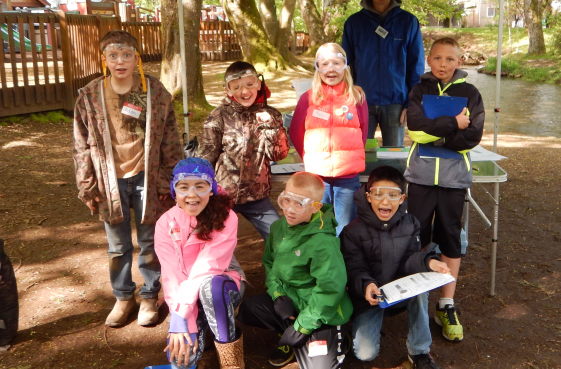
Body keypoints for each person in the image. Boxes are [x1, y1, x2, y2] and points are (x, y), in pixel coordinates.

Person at [73, 30, 182, 328]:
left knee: (150, 242)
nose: (120, 61)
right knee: (117, 246)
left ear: (137, 59)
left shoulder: (155, 92)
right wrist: (87, 185)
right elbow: (80, 144)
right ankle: (123, 297)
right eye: (113, 55)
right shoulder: (90, 96)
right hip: (110, 180)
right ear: (103, 59)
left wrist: (170, 181)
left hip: (148, 176)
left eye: (126, 55)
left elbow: (171, 140)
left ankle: (149, 295)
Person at [236, 172, 353, 369]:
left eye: (299, 204)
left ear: (316, 206)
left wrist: (302, 327)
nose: (289, 209)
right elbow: (270, 264)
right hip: (292, 303)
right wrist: (278, 295)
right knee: (248, 308)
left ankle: (336, 339)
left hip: (322, 312)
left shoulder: (323, 243)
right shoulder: (279, 228)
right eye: (286, 200)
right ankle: (292, 335)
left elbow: (330, 289)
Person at [404, 36, 485, 342]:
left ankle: (446, 302)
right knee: (419, 235)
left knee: (451, 236)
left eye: (449, 59)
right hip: (422, 177)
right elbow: (414, 128)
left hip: (453, 179)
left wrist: (434, 133)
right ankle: (419, 296)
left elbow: (473, 134)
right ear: (429, 60)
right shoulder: (419, 89)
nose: (443, 64)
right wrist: (453, 123)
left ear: (459, 62)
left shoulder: (470, 92)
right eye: (437, 58)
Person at [340, 165, 450, 369]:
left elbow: (411, 259)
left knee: (422, 290)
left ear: (402, 199)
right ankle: (353, 329)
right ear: (368, 196)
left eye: (393, 195)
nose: (385, 201)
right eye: (379, 194)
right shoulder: (352, 231)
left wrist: (430, 261)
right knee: (365, 354)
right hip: (370, 298)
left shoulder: (411, 224)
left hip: (401, 292)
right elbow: (354, 269)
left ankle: (420, 351)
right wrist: (366, 285)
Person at [155, 157, 246, 369]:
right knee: (182, 361)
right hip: (186, 292)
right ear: (174, 191)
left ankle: (231, 362)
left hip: (222, 281)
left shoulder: (227, 217)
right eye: (184, 187)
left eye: (200, 186)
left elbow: (208, 268)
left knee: (212, 287)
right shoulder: (165, 223)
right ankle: (204, 324)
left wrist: (181, 315)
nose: (192, 195)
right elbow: (172, 273)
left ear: (212, 189)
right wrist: (181, 321)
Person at [197, 61, 289, 241]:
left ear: (258, 84)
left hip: (258, 196)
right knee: (212, 240)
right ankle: (223, 270)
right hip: (223, 195)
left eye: (249, 84)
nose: (244, 91)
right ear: (228, 91)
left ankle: (279, 269)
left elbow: (279, 154)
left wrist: (271, 128)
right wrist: (199, 187)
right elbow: (206, 155)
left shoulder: (272, 115)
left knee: (280, 240)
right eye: (237, 87)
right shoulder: (218, 116)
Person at [289, 43, 368, 235]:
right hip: (318, 177)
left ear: (345, 67)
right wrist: (310, 158)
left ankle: (342, 262)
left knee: (345, 226)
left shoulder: (356, 96)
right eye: (324, 64)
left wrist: (350, 158)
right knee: (319, 223)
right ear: (317, 68)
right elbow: (295, 132)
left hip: (348, 177)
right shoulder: (308, 98)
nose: (331, 69)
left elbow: (363, 131)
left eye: (336, 63)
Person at [341, 0, 424, 147]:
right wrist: (347, 97)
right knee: (360, 154)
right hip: (361, 101)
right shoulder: (354, 23)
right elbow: (345, 66)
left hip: (396, 102)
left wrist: (412, 102)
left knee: (393, 157)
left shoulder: (408, 22)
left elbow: (416, 65)